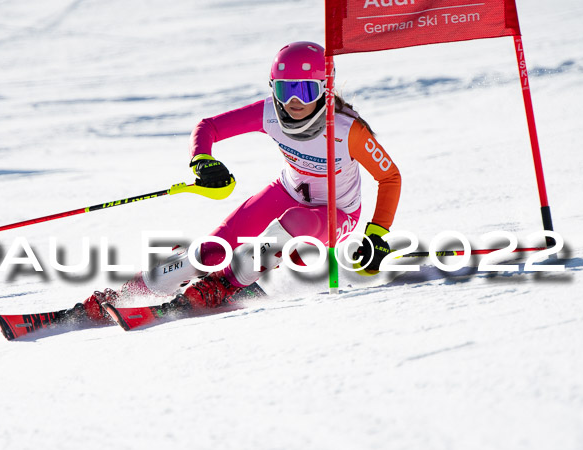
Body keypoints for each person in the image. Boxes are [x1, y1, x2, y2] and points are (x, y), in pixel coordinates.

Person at [79, 41, 402, 319]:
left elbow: (389, 177)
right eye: (284, 89)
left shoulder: (348, 130)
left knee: (296, 220)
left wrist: (377, 234)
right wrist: (202, 160)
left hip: (337, 212)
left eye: (305, 90)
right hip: (287, 191)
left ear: (325, 90)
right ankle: (128, 294)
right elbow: (209, 127)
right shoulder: (269, 114)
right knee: (211, 251)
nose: (294, 101)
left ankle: (224, 285)